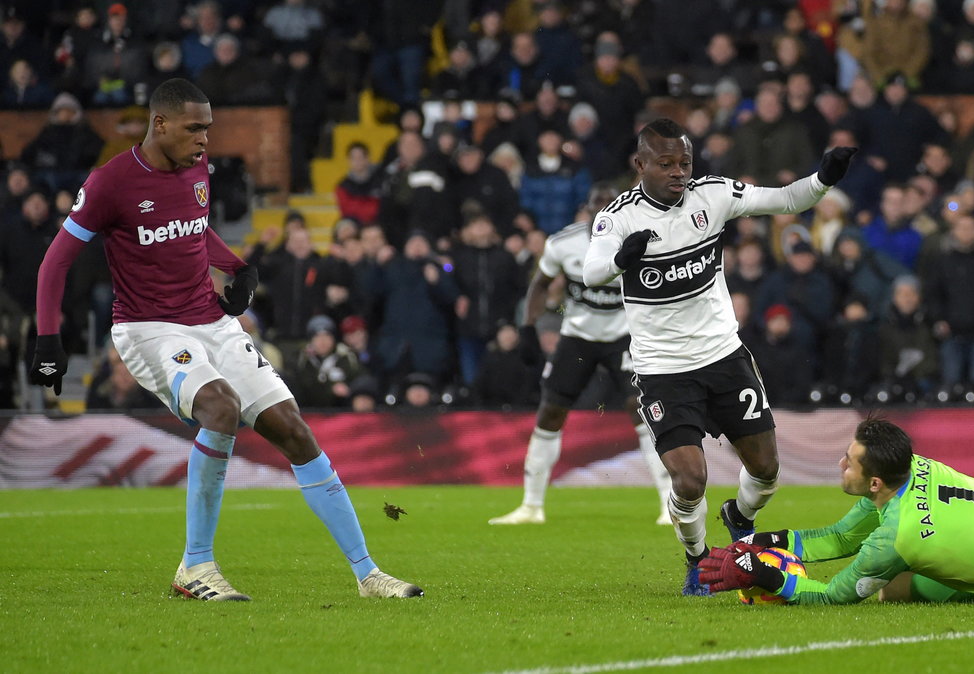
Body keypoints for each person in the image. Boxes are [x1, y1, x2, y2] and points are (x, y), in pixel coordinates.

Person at [28, 79, 422, 601]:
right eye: (194, 128)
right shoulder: (110, 183)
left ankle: (368, 574)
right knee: (220, 406)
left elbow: (194, 228)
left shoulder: (196, 169)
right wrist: (49, 341)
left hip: (212, 323)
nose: (204, 140)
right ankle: (195, 567)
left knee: (293, 430)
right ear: (159, 124)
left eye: (208, 129)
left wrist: (239, 269)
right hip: (150, 329)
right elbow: (55, 261)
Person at [582, 117, 857, 595]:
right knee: (690, 480)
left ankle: (740, 516)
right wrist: (621, 259)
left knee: (767, 470)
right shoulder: (618, 217)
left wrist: (824, 178)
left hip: (724, 357)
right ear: (640, 164)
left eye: (684, 162)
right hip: (664, 371)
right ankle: (697, 558)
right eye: (665, 164)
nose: (678, 172)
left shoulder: (712, 195)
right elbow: (591, 273)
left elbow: (785, 199)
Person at [698, 415, 974, 604]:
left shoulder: (898, 535)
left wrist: (768, 578)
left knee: (894, 589)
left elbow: (835, 596)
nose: (840, 464)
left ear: (874, 482)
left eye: (848, 461)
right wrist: (756, 541)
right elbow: (838, 537)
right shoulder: (910, 466)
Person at [491, 184, 673, 527]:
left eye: (611, 205)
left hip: (625, 335)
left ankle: (669, 504)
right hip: (578, 336)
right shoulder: (563, 242)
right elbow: (540, 284)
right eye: (597, 205)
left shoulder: (640, 241)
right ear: (586, 209)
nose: (604, 211)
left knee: (644, 410)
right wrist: (528, 327)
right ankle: (531, 505)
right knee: (551, 410)